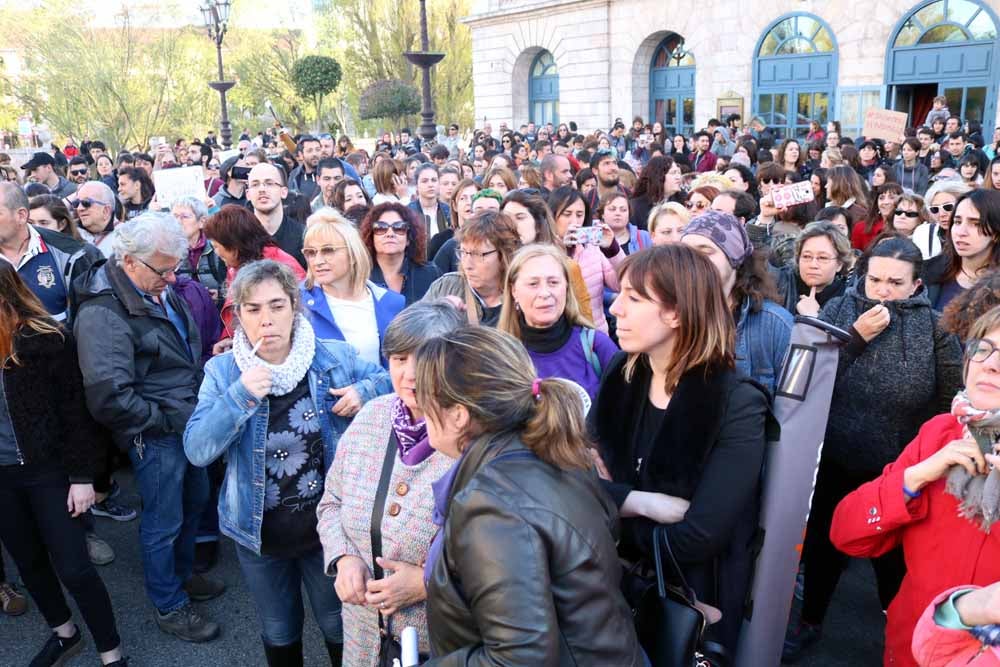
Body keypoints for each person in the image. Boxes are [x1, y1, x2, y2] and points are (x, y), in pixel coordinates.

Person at [185, 260, 392, 666]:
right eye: (253, 309)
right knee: (280, 632)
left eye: (277, 306)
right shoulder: (225, 371)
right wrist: (241, 395)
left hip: (329, 534)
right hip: (259, 535)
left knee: (338, 627)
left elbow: (391, 379)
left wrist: (364, 389)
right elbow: (197, 448)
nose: (267, 320)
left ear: (295, 307)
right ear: (238, 316)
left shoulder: (332, 356)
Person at [414, 326, 646, 665]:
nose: (419, 410)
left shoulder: (492, 503)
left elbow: (521, 659)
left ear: (459, 415)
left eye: (426, 397)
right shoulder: (553, 450)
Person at [784, 236, 964, 662]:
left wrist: (927, 459)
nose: (883, 291)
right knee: (824, 548)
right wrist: (855, 338)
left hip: (901, 467)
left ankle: (901, 632)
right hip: (834, 457)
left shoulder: (935, 329)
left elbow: (948, 398)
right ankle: (810, 621)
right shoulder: (840, 311)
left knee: (895, 560)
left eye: (895, 283)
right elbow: (807, 379)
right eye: (876, 280)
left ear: (917, 286)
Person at [590, 244, 770, 653]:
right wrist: (641, 502)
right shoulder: (624, 371)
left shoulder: (736, 401)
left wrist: (608, 510)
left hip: (691, 598)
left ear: (677, 312)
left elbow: (700, 534)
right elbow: (574, 476)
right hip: (607, 590)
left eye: (634, 298)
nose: (615, 308)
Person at [73, 213, 225, 643]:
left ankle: (179, 579)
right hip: (157, 434)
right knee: (164, 520)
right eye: (164, 269)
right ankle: (169, 604)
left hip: (183, 422)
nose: (174, 278)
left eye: (175, 266)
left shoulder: (151, 285)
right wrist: (162, 422)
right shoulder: (103, 312)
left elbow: (173, 351)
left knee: (193, 502)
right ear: (129, 260)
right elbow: (109, 397)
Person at [825, 306, 1000, 667]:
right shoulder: (941, 433)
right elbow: (847, 534)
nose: (991, 364)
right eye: (984, 348)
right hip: (910, 647)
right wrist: (915, 476)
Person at [315, 301, 463, 667]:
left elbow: (502, 560)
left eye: (423, 359)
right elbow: (331, 501)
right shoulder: (371, 416)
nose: (409, 374)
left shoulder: (470, 437)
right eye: (399, 359)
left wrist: (429, 583)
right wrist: (343, 556)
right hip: (364, 634)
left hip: (439, 640)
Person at [0, 264, 128, 667]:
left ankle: (112, 653)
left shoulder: (45, 340)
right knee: (30, 564)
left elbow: (77, 413)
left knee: (74, 568)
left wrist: (82, 477)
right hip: (2, 479)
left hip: (50, 472)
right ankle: (64, 634)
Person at [681, 211, 793, 396]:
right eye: (686, 252)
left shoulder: (775, 324)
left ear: (734, 257)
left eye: (705, 251)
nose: (693, 260)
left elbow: (791, 410)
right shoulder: (670, 317)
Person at [498, 244, 617, 399]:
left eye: (553, 282)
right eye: (533, 284)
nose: (545, 293)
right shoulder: (500, 355)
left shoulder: (597, 346)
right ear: (514, 290)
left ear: (566, 287)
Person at [300, 208, 405, 368]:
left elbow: (402, 371)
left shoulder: (391, 303)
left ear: (352, 253)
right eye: (311, 253)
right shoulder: (297, 302)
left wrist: (365, 389)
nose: (318, 261)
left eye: (328, 251)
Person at [205, 205, 306, 343]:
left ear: (233, 244)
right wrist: (228, 338)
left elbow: (300, 319)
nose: (216, 253)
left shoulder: (280, 268)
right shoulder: (237, 265)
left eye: (216, 246)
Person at [423, 210, 520, 326]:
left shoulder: (523, 294)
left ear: (504, 254)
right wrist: (439, 313)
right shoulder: (445, 287)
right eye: (463, 252)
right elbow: (409, 336)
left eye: (478, 254)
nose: (467, 264)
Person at [548, 187, 624, 334]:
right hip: (560, 336)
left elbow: (621, 284)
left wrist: (612, 249)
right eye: (567, 214)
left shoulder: (592, 248)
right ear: (552, 216)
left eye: (579, 214)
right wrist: (563, 250)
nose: (574, 221)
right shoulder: (542, 250)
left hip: (596, 334)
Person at [922, 189, 1000, 310]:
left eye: (976, 224)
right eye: (957, 222)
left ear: (995, 233)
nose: (961, 232)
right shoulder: (930, 270)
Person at [361, 201, 441, 306]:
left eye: (399, 228)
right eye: (381, 228)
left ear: (409, 238)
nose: (390, 234)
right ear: (371, 237)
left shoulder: (430, 274)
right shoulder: (360, 277)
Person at [773, 221, 851, 317]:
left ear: (839, 264)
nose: (813, 265)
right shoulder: (781, 282)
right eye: (806, 256)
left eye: (823, 258)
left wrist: (814, 318)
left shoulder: (848, 300)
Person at [247, 163, 307, 269]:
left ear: (283, 192)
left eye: (269, 183)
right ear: (248, 194)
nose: (262, 189)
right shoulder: (238, 238)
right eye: (255, 185)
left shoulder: (303, 236)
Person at [172, 196, 227, 304]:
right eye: (175, 217)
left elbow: (231, 283)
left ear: (202, 222)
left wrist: (219, 294)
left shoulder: (216, 248)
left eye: (184, 217)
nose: (178, 222)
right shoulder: (167, 251)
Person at [914, 180, 973, 259]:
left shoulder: (977, 232)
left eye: (948, 207)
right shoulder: (923, 233)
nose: (941, 214)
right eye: (935, 209)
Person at [72, 181, 119, 257]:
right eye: (76, 203)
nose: (79, 208)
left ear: (106, 210)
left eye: (86, 203)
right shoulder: (71, 233)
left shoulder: (126, 237)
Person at [853, 183, 903, 251]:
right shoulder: (861, 227)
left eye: (892, 197)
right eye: (881, 198)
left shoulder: (905, 225)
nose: (886, 202)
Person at [598, 191, 651, 255]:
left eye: (623, 210)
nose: (618, 213)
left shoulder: (644, 237)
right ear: (602, 214)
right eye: (612, 209)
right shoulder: (593, 240)